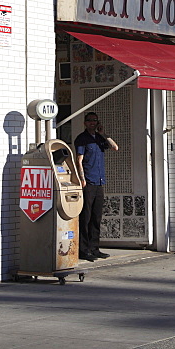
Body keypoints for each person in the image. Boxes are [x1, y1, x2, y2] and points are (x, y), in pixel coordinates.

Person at [74, 112, 118, 262]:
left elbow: (115, 147)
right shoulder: (82, 139)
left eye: (95, 120)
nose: (92, 123)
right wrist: (82, 178)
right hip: (88, 181)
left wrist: (103, 133)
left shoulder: (99, 138)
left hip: (99, 181)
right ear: (85, 123)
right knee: (85, 216)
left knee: (96, 217)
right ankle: (84, 249)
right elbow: (79, 160)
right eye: (90, 121)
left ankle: (94, 247)